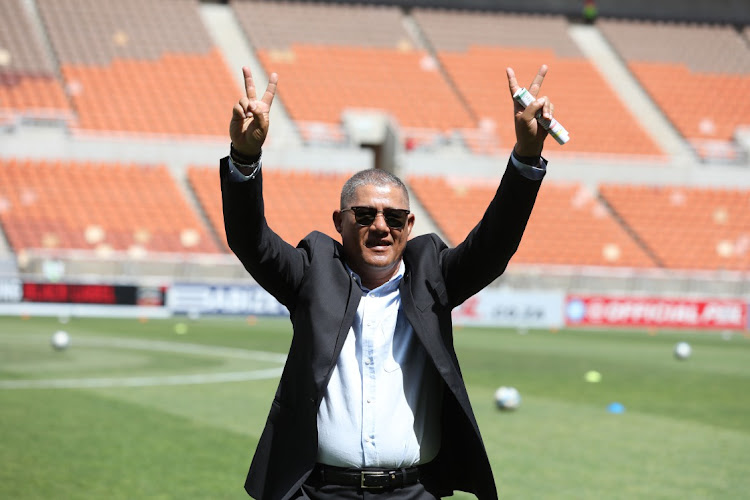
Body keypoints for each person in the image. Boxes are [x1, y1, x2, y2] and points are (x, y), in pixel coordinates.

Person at [222, 64, 555, 500]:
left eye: (394, 217)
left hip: (413, 491)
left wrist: (526, 158)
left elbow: (494, 245)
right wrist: (245, 159)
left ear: (409, 225)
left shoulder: (433, 278)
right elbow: (252, 242)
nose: (381, 227)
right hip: (323, 492)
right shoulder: (311, 273)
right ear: (339, 222)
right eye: (364, 215)